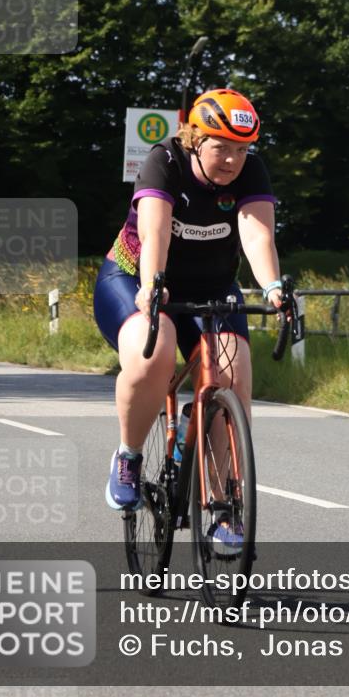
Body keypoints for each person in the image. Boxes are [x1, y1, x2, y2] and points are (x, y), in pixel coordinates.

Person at [93, 88, 283, 546]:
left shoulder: (250, 172)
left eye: (242, 149)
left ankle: (221, 506)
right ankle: (130, 455)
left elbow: (257, 236)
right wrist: (152, 286)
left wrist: (274, 288)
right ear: (195, 139)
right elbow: (155, 230)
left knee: (234, 375)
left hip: (214, 289)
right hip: (135, 278)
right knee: (152, 354)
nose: (233, 160)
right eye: (221, 147)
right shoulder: (165, 161)